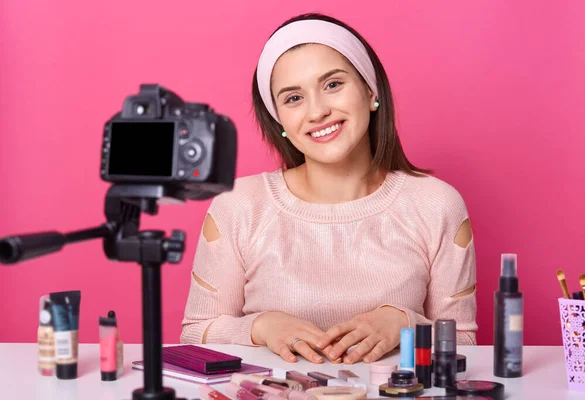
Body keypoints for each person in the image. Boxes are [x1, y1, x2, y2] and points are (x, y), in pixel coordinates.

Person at [180, 12, 477, 365]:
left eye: (333, 84)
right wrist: (260, 326)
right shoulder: (238, 206)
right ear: (280, 122)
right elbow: (194, 335)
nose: (318, 111)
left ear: (370, 92)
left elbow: (466, 346)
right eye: (293, 98)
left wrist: (405, 322)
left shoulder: (436, 205)